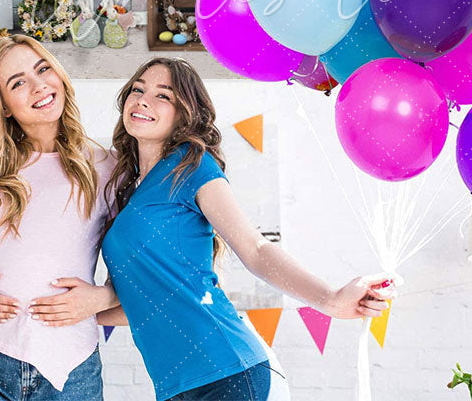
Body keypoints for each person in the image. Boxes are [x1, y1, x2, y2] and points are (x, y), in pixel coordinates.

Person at [97, 57, 396, 401]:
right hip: (177, 387)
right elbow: (146, 302)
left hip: (230, 375)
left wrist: (329, 300)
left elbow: (254, 249)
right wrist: (58, 314)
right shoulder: (130, 192)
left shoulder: (191, 166)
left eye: (163, 95)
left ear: (184, 114)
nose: (143, 100)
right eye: (138, 89)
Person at [0, 34, 119, 401]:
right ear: (3, 105)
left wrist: (102, 298)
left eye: (43, 69)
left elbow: (142, 264)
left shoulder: (106, 168)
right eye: (18, 82)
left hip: (71, 360)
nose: (39, 85)